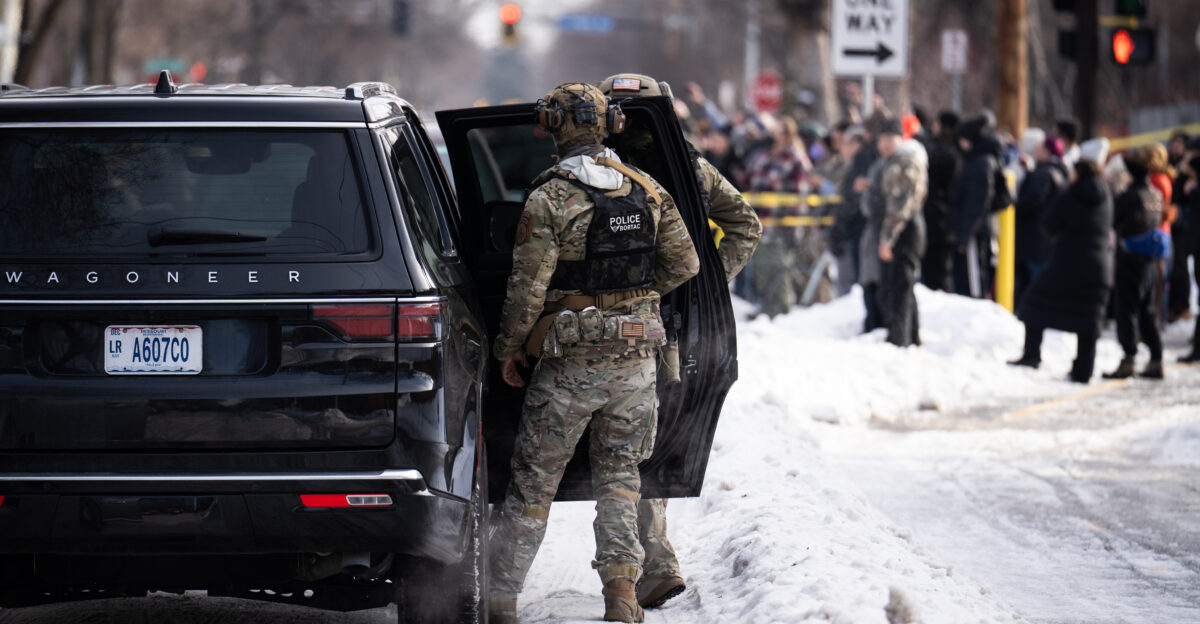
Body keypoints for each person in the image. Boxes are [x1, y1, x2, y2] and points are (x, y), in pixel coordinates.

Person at [488, 82, 700, 624]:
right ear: (610, 125)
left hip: (569, 367)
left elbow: (527, 289)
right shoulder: (649, 190)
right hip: (636, 366)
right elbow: (686, 265)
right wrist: (635, 299)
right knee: (621, 480)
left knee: (534, 484)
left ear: (551, 128)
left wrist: (510, 349)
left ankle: (501, 600)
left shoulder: (550, 199)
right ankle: (622, 597)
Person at [599, 72, 762, 609]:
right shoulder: (690, 168)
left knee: (618, 449)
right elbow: (746, 226)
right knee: (643, 446)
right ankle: (652, 565)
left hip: (599, 328)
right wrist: (701, 286)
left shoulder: (595, 170)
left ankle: (644, 568)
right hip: (668, 327)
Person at [1011, 148, 1114, 383]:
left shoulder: (1072, 194)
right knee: (1089, 318)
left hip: (1067, 263)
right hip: (1100, 266)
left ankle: (1031, 355)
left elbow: (1048, 222)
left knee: (1034, 303)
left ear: (1079, 173)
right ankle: (1083, 370)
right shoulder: (1106, 197)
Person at [861, 117, 928, 346]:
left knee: (897, 289)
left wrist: (887, 239)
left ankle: (900, 340)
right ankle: (910, 338)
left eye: (891, 138)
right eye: (883, 138)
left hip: (904, 231)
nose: (886, 143)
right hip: (905, 229)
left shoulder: (903, 161)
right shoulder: (896, 160)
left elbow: (899, 207)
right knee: (902, 287)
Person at [1105, 147, 1166, 379]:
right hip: (1150, 259)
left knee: (1127, 310)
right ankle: (1156, 357)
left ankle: (1129, 358)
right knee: (1147, 311)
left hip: (1129, 258)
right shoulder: (1155, 194)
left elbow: (1113, 220)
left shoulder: (1129, 196)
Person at [1013, 135, 1070, 308]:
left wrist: (1012, 204)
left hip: (1033, 240)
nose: (1035, 151)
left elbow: (1032, 201)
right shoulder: (1058, 172)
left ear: (1047, 151)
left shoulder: (1044, 174)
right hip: (1043, 239)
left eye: (1039, 148)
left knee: (1031, 287)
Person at [948, 114, 999, 298]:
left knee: (974, 282)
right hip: (972, 229)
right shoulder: (977, 161)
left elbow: (976, 204)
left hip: (973, 232)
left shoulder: (980, 163)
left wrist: (964, 236)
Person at [921, 110, 961, 293]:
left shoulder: (946, 154)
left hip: (939, 218)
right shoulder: (954, 151)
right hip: (941, 217)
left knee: (937, 271)